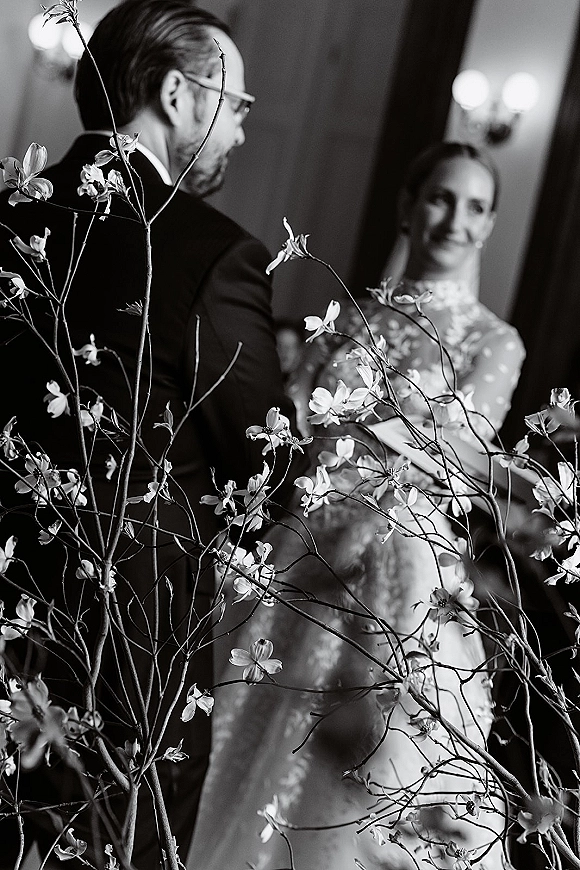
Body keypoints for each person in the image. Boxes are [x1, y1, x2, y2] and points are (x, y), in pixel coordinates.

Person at [0, 1, 305, 866]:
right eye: (237, 105)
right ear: (179, 94)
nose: (242, 131)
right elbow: (270, 470)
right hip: (118, 641)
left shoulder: (7, 222)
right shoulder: (212, 253)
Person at [189, 142, 525, 869]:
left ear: (491, 224)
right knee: (263, 739)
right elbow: (300, 429)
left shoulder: (493, 341)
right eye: (440, 198)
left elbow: (458, 451)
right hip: (303, 547)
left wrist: (361, 422)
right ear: (407, 207)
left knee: (372, 756)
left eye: (475, 207)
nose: (455, 220)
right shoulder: (348, 313)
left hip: (399, 565)